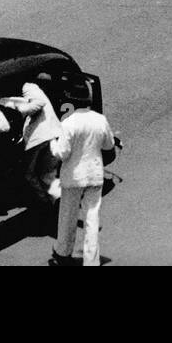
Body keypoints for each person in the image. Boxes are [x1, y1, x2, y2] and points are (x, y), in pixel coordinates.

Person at [49, 78, 116, 266]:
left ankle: (63, 253)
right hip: (94, 175)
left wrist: (53, 144)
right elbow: (108, 145)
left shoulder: (68, 124)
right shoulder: (100, 120)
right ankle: (91, 260)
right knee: (92, 218)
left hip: (73, 177)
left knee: (67, 216)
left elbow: (62, 153)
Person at [0, 75, 63, 203]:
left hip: (38, 138)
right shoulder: (39, 92)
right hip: (52, 135)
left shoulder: (28, 86)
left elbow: (38, 103)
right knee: (48, 174)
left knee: (28, 173)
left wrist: (19, 111)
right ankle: (60, 205)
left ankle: (43, 202)